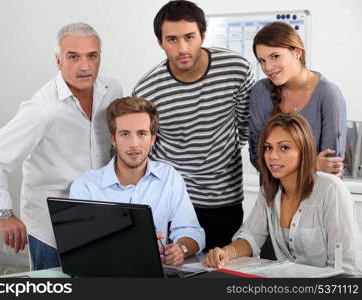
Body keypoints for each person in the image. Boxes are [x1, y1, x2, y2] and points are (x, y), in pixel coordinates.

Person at [0, 22, 122, 270]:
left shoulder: (112, 91)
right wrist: (4, 215)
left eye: (92, 56)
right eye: (73, 57)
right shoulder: (43, 108)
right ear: (58, 61)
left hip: (98, 221)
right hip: (51, 230)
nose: (84, 66)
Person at [133, 0, 254, 251]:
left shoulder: (237, 69)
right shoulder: (147, 90)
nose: (182, 48)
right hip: (173, 202)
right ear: (160, 42)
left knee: (220, 277)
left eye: (189, 37)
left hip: (225, 200)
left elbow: (246, 128)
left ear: (203, 35)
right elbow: (149, 151)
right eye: (172, 40)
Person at [203, 113, 362, 275]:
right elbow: (251, 236)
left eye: (284, 147)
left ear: (303, 150)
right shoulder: (269, 191)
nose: (273, 156)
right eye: (268, 147)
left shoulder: (331, 189)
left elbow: (346, 268)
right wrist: (226, 253)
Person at [70, 96, 205, 266]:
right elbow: (79, 246)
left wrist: (181, 249)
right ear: (113, 139)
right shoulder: (85, 187)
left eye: (142, 134)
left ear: (153, 138)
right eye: (125, 134)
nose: (134, 144)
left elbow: (192, 231)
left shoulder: (169, 178)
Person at [249, 21, 346, 176]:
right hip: (272, 196)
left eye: (275, 56)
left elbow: (330, 167)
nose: (267, 67)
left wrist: (282, 165)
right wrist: (313, 164)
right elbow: (258, 157)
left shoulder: (328, 94)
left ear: (297, 53)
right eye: (262, 61)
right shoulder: (260, 92)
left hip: (314, 197)